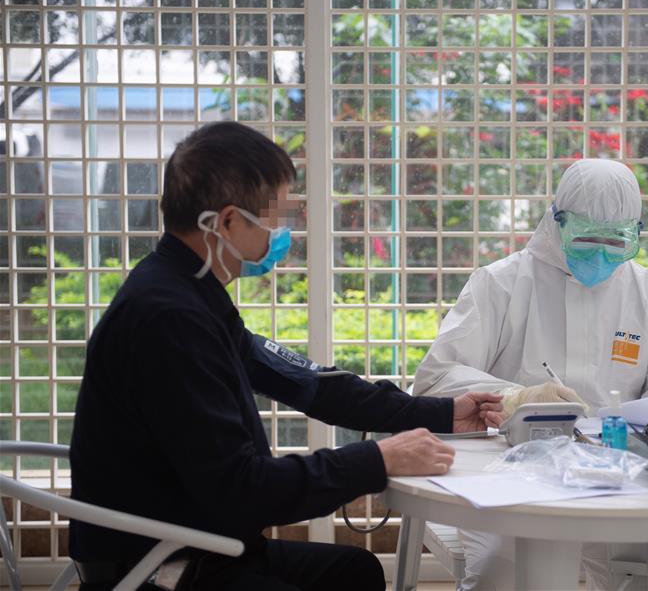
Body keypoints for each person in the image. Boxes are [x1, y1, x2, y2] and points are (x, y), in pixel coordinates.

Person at [69, 122, 502, 591]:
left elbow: (309, 383)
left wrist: (440, 412)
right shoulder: (168, 320)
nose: (283, 231)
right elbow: (244, 490)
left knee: (356, 571)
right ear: (227, 222)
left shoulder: (188, 293)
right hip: (163, 568)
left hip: (205, 545)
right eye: (275, 215)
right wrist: (376, 460)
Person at [413, 159, 648, 590]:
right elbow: (434, 380)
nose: (600, 254)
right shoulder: (500, 285)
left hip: (621, 487)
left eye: (615, 241)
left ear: (636, 233)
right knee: (503, 580)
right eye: (587, 238)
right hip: (507, 482)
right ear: (555, 220)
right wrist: (516, 398)